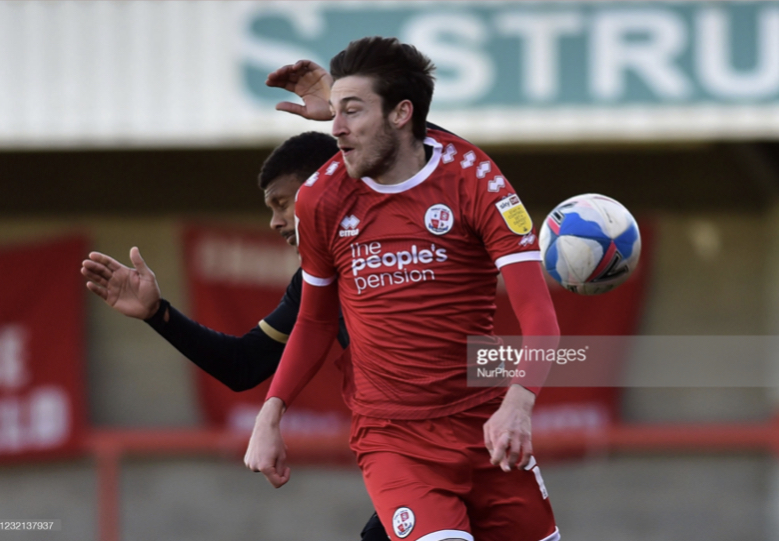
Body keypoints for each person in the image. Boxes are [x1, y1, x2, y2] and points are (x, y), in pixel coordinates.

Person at [245, 37, 561, 541]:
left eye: (352, 111)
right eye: (336, 111)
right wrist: (270, 412)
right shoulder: (321, 198)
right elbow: (315, 319)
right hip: (394, 437)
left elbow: (540, 317)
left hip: (486, 423)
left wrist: (518, 405)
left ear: (401, 114)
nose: (335, 128)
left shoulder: (477, 180)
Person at [80, 131, 391, 541]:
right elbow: (244, 364)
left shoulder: (412, 249)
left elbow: (481, 339)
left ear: (326, 186)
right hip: (414, 462)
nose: (275, 222)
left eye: (282, 203)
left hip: (475, 451)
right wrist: (158, 314)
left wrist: (505, 399)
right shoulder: (313, 283)